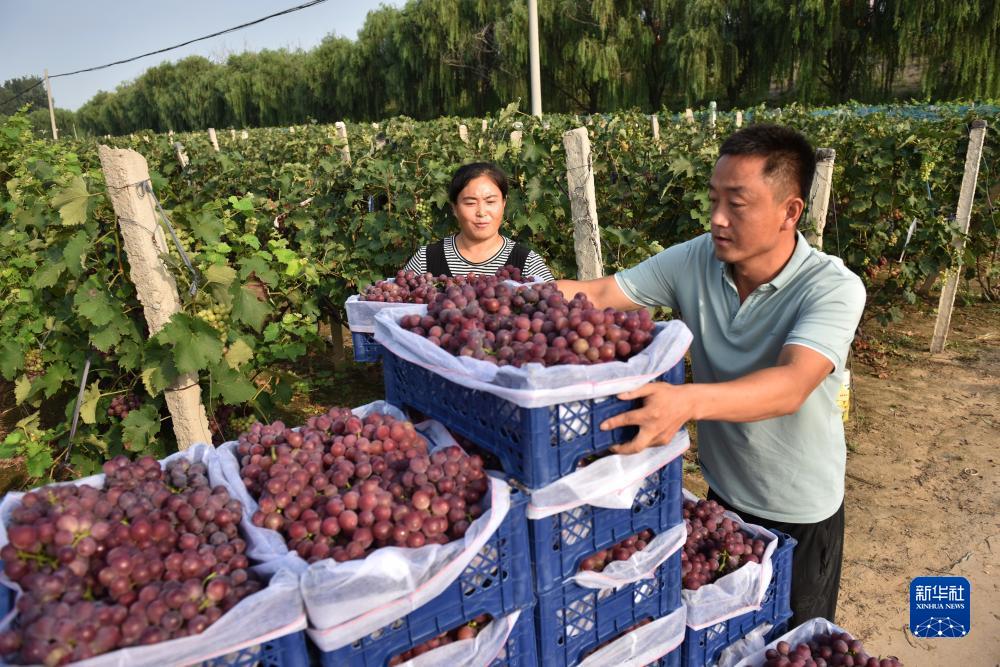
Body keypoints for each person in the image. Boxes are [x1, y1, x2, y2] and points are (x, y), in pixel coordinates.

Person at [556, 124, 866, 626]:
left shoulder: (832, 287)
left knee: (789, 642)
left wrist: (685, 402)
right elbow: (601, 294)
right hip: (723, 498)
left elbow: (791, 385)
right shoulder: (698, 258)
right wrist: (503, 294)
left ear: (790, 212)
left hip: (799, 512)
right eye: (714, 199)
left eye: (736, 204)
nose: (717, 218)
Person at [404, 162, 555, 281]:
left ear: (504, 203)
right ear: (454, 208)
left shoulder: (528, 263)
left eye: (490, 202)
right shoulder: (425, 260)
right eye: (470, 203)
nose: (481, 212)